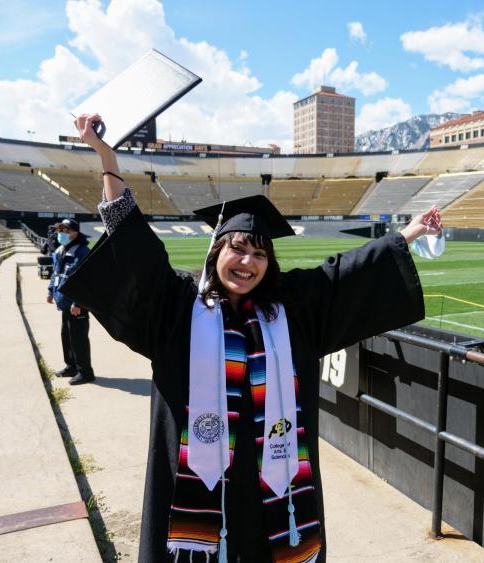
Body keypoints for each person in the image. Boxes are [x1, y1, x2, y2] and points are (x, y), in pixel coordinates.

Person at [61, 113, 442, 562]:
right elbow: (136, 249)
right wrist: (108, 160)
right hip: (196, 482)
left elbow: (348, 275)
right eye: (237, 248)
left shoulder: (291, 309)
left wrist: (410, 232)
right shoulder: (179, 307)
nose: (248, 262)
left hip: (270, 485)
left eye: (259, 253)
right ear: (216, 251)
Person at [47, 218, 95, 385]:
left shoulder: (83, 252)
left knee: (78, 338)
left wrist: (78, 303)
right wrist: (50, 291)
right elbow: (56, 273)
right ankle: (71, 366)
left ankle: (85, 372)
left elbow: (86, 281)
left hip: (77, 305)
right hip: (64, 302)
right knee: (66, 336)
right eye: (60, 230)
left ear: (75, 233)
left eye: (65, 230)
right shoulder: (60, 250)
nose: (61, 233)